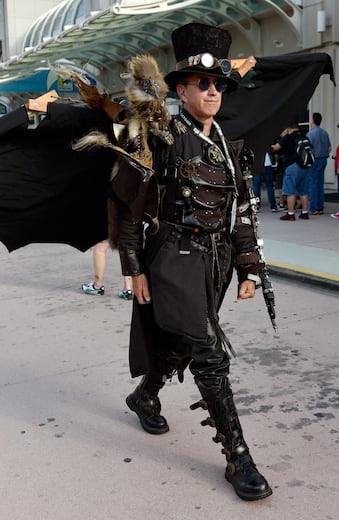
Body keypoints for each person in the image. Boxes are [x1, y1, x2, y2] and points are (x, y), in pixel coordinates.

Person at [115, 23, 272, 500]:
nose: (212, 91)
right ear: (180, 88)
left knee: (183, 342)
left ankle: (145, 394)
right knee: (209, 351)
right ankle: (238, 458)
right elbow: (129, 204)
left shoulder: (230, 143)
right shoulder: (159, 136)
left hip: (215, 259)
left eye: (218, 84)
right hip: (171, 257)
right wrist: (133, 266)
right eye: (201, 83)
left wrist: (249, 266)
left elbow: (241, 209)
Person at [274, 122, 310, 221]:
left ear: (289, 128)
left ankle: (290, 214)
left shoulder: (288, 137)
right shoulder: (304, 137)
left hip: (292, 166)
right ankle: (305, 213)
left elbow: (276, 147)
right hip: (304, 165)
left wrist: (283, 136)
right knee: (303, 191)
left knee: (291, 191)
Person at [307, 112, 331, 215]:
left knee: (313, 183)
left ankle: (313, 208)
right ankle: (320, 207)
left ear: (313, 121)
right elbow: (329, 148)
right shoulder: (325, 133)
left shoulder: (310, 134)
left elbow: (307, 149)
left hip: (314, 159)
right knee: (320, 183)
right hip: (323, 158)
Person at [254, 146, 278, 212]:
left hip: (256, 165)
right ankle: (273, 206)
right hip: (267, 165)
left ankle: (256, 205)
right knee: (270, 186)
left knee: (256, 186)